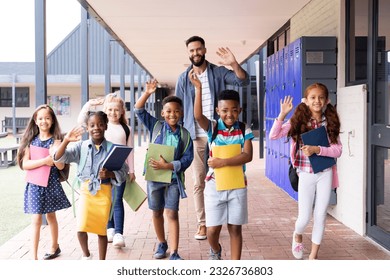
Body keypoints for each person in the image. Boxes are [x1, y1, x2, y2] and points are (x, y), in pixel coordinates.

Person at [175, 35, 250, 240]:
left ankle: (225, 218)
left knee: (226, 175)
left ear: (204, 50)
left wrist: (234, 64)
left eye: (198, 49)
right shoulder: (184, 79)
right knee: (199, 181)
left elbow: (243, 81)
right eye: (191, 50)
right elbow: (179, 110)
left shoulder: (217, 72)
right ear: (188, 53)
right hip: (197, 136)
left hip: (220, 134)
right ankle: (203, 223)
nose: (195, 53)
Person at [269, 83, 342, 260]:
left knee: (320, 215)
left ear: (326, 101)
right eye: (313, 97)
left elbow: (338, 150)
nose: (317, 101)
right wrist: (282, 115)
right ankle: (297, 234)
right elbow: (274, 135)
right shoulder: (298, 120)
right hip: (305, 173)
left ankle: (313, 256)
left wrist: (318, 149)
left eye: (321, 97)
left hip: (325, 172)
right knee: (304, 217)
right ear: (306, 100)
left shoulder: (330, 122)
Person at [190, 70, 254, 260]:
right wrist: (199, 89)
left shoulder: (244, 129)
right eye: (224, 110)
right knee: (212, 230)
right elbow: (197, 115)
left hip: (237, 186)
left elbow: (248, 156)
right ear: (218, 111)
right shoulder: (213, 127)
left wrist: (221, 162)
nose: (229, 114)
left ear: (239, 110)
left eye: (234, 110)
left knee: (235, 229)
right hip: (214, 185)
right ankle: (216, 249)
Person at [53, 111, 128, 260]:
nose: (96, 128)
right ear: (87, 128)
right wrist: (66, 140)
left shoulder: (113, 148)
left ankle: (102, 261)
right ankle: (86, 255)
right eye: (92, 125)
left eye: (100, 124)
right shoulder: (81, 146)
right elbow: (58, 157)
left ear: (106, 126)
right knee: (81, 228)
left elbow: (124, 171)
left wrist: (110, 175)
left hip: (104, 192)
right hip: (86, 191)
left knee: (102, 230)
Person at [134, 79, 194, 260]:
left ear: (181, 113)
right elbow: (138, 110)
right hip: (155, 178)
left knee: (172, 213)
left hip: (174, 180)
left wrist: (170, 165)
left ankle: (174, 252)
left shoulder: (185, 134)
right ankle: (162, 243)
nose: (172, 114)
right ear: (162, 113)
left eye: (176, 111)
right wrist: (147, 93)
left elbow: (188, 158)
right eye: (168, 111)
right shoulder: (156, 126)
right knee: (157, 211)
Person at [78, 93, 135, 248]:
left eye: (116, 110)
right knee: (106, 200)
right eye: (109, 109)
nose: (113, 113)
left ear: (122, 111)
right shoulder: (101, 125)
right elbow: (81, 122)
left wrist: (131, 171)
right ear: (105, 110)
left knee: (117, 201)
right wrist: (89, 104)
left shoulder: (126, 129)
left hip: (118, 170)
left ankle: (118, 233)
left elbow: (130, 150)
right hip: (100, 171)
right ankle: (109, 228)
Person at [16, 104, 71, 260]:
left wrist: (55, 157)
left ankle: (54, 246)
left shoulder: (56, 141)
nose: (44, 121)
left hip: (51, 184)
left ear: (52, 120)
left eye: (47, 118)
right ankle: (34, 256)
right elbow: (25, 164)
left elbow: (60, 164)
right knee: (36, 219)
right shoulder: (30, 141)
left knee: (51, 216)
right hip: (34, 185)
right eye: (40, 118)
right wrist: (45, 161)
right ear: (35, 120)